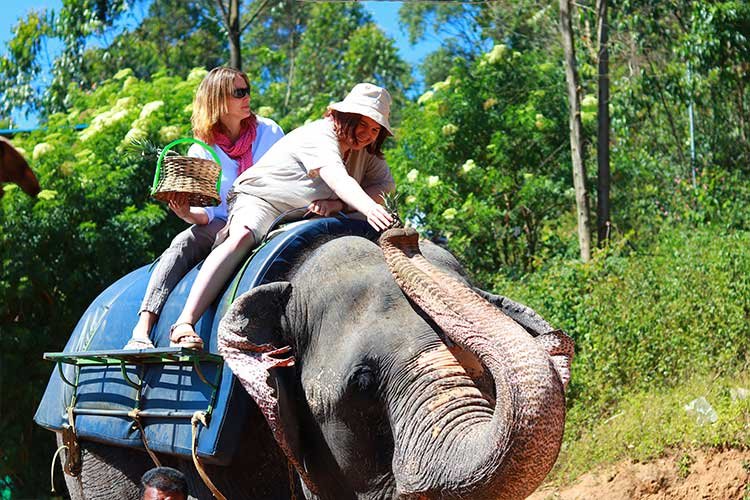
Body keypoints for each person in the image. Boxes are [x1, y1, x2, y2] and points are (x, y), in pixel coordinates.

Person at [168, 82, 395, 348]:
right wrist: (368, 208)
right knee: (242, 235)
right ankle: (185, 322)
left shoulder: (365, 152)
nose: (368, 134)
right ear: (345, 118)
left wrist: (341, 207)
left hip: (305, 215)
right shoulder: (320, 135)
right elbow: (338, 179)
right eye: (363, 124)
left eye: (375, 129)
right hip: (262, 200)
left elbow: (385, 187)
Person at [125, 66, 284, 350]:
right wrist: (186, 214)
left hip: (270, 216)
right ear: (218, 99)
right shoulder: (202, 148)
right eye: (239, 92)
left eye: (247, 89)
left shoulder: (269, 132)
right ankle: (143, 328)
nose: (247, 97)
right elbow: (209, 212)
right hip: (224, 223)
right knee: (183, 242)